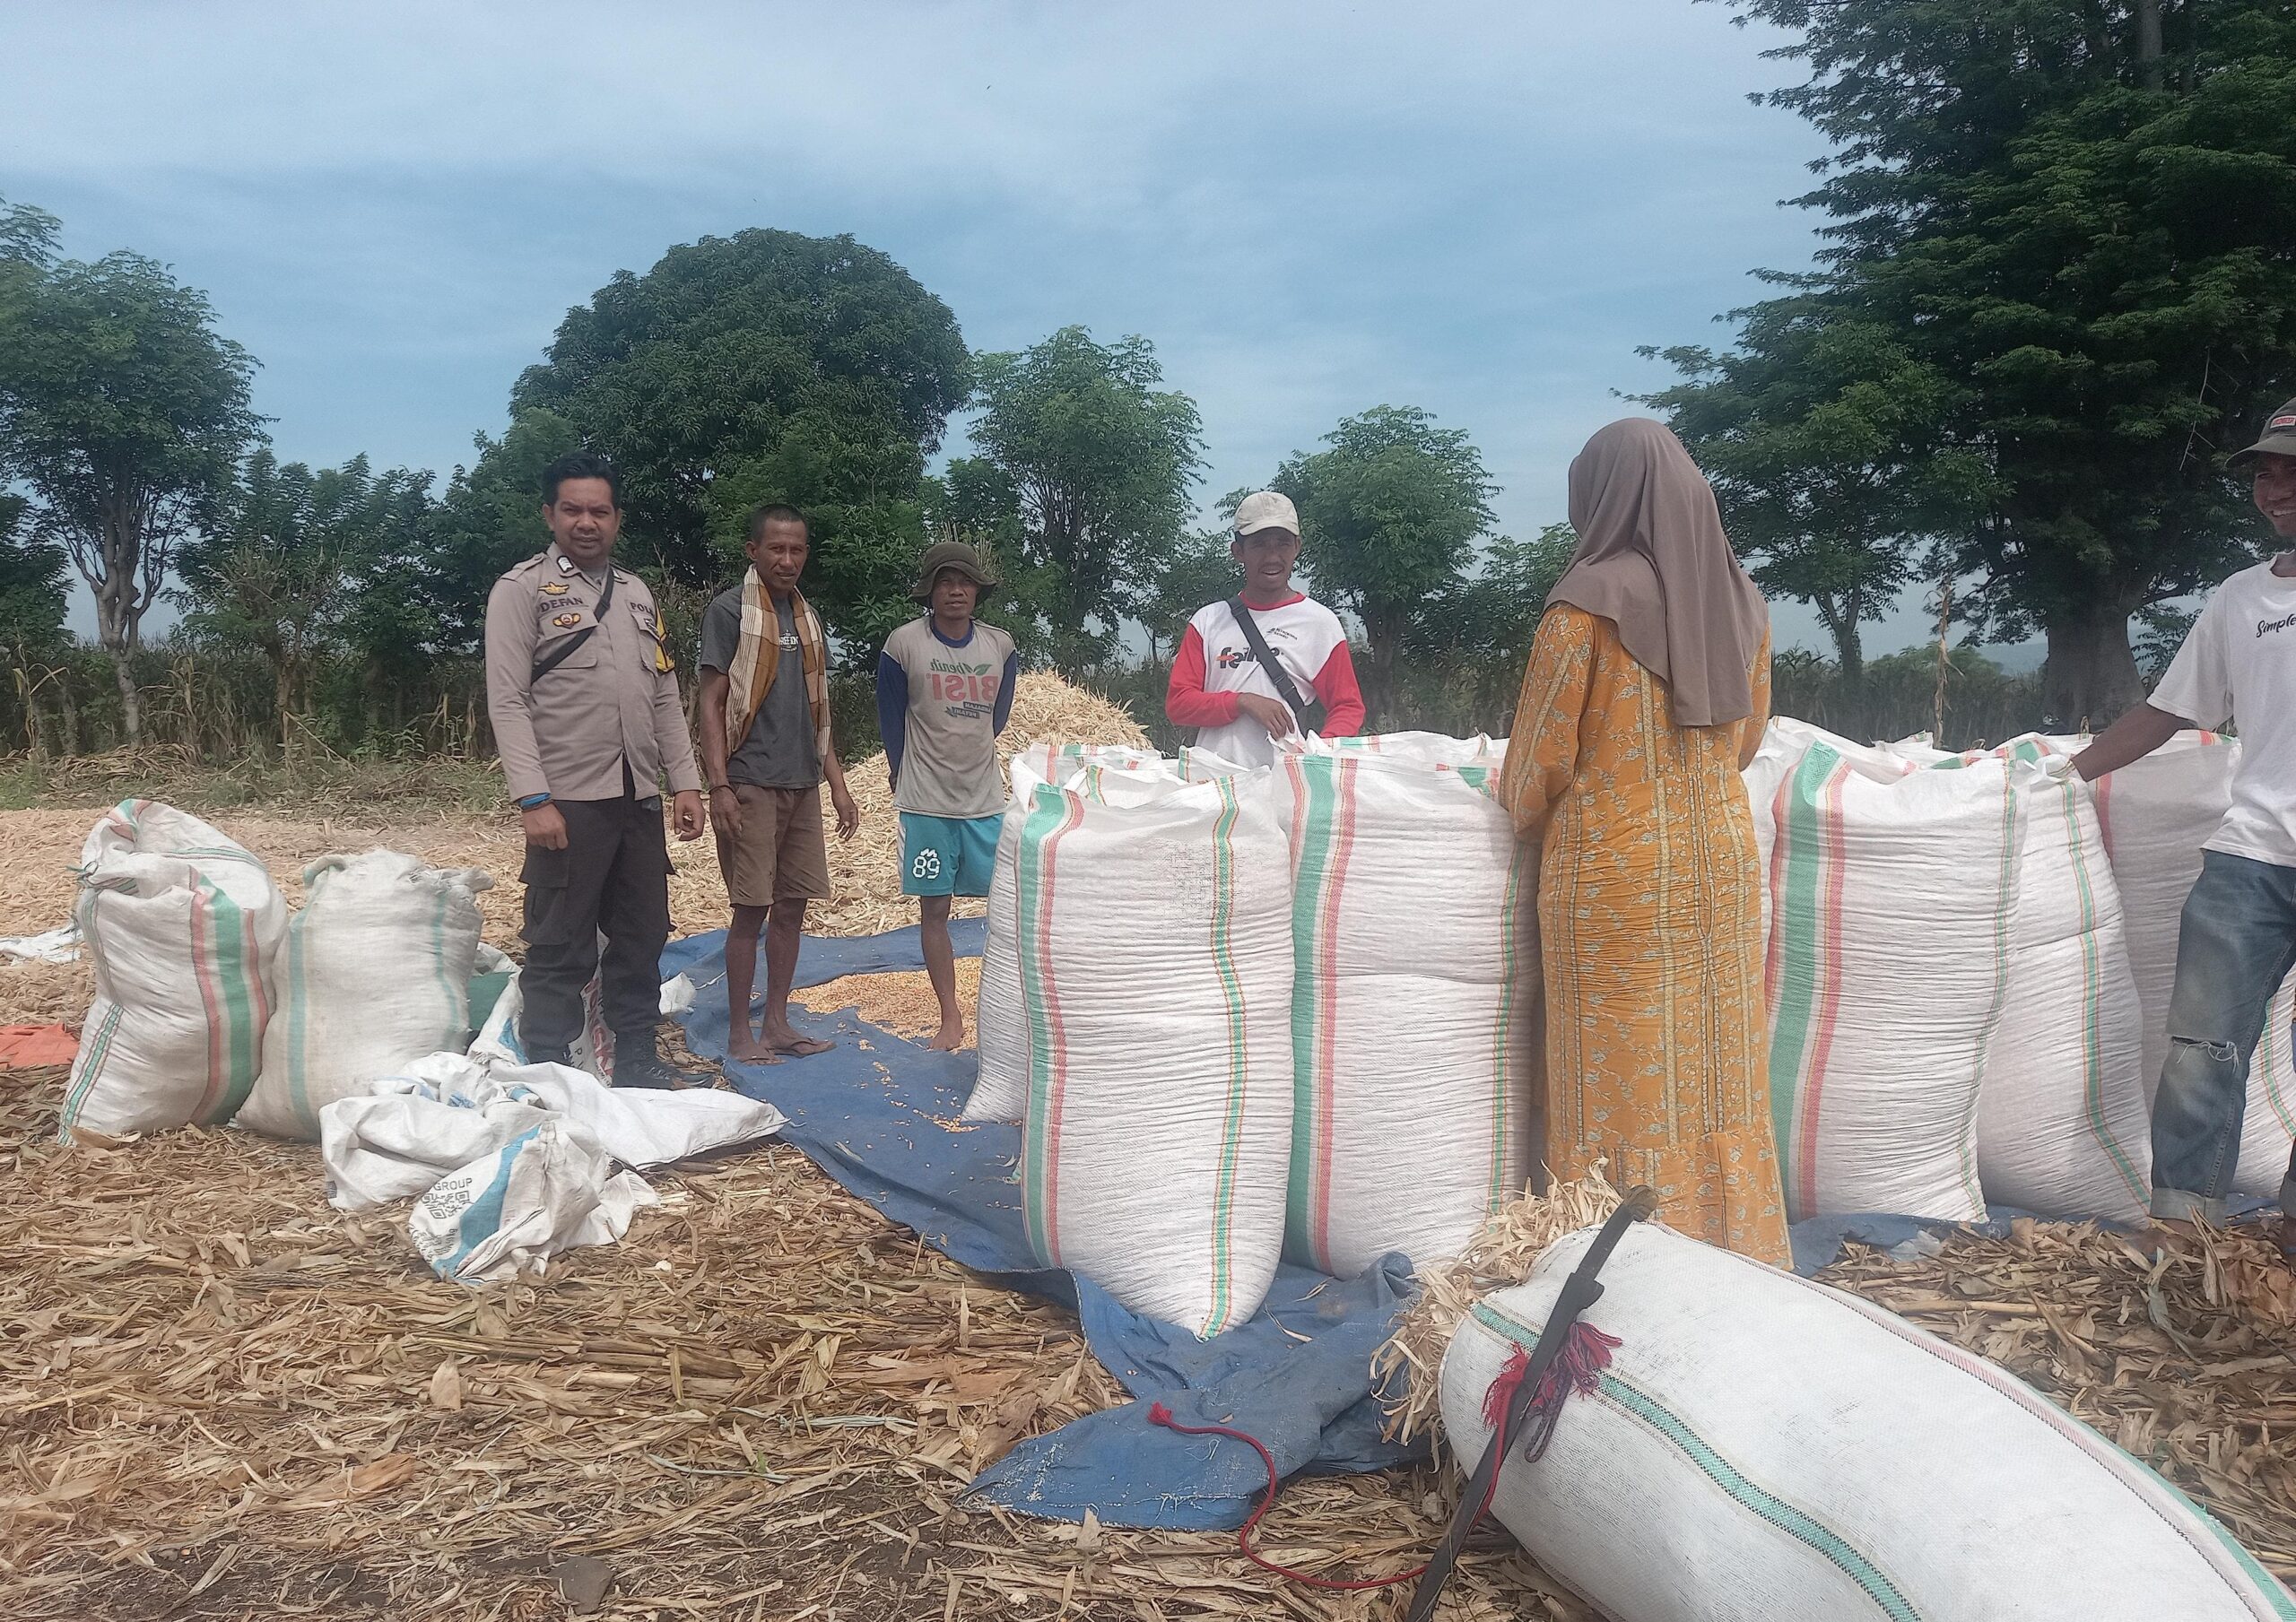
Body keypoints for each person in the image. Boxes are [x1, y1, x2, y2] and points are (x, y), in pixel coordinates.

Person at [1499, 418, 1788, 1264]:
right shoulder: (1744, 606)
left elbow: (1534, 771)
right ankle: (1734, 1252)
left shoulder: (1584, 607)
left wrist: (1516, 806)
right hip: (1721, 872)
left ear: (1604, 496)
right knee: (1716, 1076)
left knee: (1621, 1085)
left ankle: (1627, 1268)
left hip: (1614, 886)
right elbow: (1747, 739)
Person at [2073, 395, 2296, 1237]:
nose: (2275, 488)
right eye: (2264, 473)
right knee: (2203, 1047)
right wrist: (2057, 777)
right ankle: (2183, 1239)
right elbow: (2170, 708)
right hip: (2251, 860)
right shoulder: (2241, 598)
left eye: (2292, 470)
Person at [484, 450, 708, 1089]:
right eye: (573, 510)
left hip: (637, 797)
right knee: (560, 940)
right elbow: (507, 700)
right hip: (567, 799)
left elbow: (663, 695)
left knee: (642, 934)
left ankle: (636, 1060)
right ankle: (550, 1070)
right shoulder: (520, 591)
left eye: (599, 511)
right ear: (550, 514)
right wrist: (533, 799)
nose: (587, 522)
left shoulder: (637, 594)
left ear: (616, 518)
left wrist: (685, 782)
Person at [696, 504, 860, 1064]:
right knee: (751, 909)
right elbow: (711, 702)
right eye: (776, 549)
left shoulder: (807, 618)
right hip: (750, 782)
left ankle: (778, 1023)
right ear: (754, 552)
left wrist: (837, 784)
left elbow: (818, 710)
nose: (787, 560)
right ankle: (740, 1034)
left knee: (792, 908)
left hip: (801, 782)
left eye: (797, 550)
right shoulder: (730, 612)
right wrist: (718, 785)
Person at [876, 542, 1021, 1050]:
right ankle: (950, 1015)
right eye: (945, 581)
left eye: (965, 582)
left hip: (985, 801)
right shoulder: (903, 644)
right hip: (926, 803)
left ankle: (1000, 1013)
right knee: (934, 910)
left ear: (978, 590)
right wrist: (901, 774)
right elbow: (891, 720)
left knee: (1003, 910)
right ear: (930, 590)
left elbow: (997, 719)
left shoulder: (1000, 647)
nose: (956, 591)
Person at [1164, 490, 1366, 768]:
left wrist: (1318, 759)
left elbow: (1347, 707)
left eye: (1283, 543)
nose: (1272, 556)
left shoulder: (1320, 623)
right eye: (1259, 544)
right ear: (1238, 552)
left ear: (1297, 547)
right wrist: (1242, 702)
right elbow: (1179, 705)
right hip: (1213, 781)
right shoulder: (1207, 621)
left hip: (1284, 783)